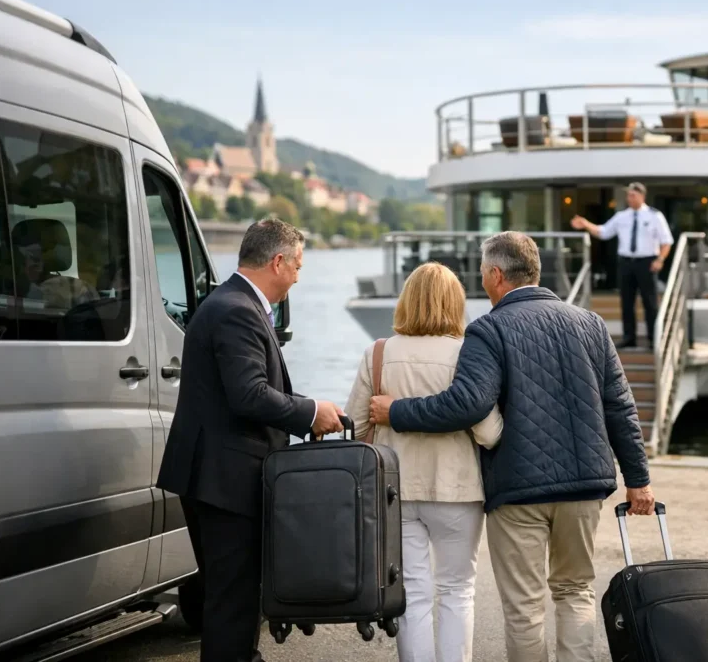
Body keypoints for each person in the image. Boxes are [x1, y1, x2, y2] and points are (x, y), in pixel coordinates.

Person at [368, 231, 653, 662]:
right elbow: (620, 407)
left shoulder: (489, 330)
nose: (482, 282)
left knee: (525, 605)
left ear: (497, 275)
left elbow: (467, 404)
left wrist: (397, 412)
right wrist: (639, 481)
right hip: (584, 487)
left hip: (518, 490)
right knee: (575, 590)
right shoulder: (590, 323)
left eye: (483, 273)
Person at [156, 217, 346, 662]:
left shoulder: (231, 303)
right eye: (297, 266)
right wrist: (309, 412)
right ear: (278, 262)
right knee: (231, 604)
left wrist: (313, 407)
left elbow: (251, 390)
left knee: (233, 600)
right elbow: (249, 395)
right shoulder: (237, 310)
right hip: (224, 482)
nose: (299, 277)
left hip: (218, 476)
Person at [345, 262, 502, 662]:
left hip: (395, 491)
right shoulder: (468, 353)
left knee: (412, 592)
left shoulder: (378, 353)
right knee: (457, 590)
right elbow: (488, 432)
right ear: (455, 303)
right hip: (458, 490)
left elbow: (356, 425)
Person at [570, 182, 673, 350]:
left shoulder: (655, 216)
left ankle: (654, 339)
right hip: (626, 262)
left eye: (633, 195)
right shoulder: (621, 216)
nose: (629, 198)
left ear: (642, 196)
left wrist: (660, 259)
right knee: (626, 301)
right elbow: (603, 232)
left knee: (650, 302)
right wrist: (586, 224)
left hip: (647, 262)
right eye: (628, 195)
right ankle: (629, 337)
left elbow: (666, 241)